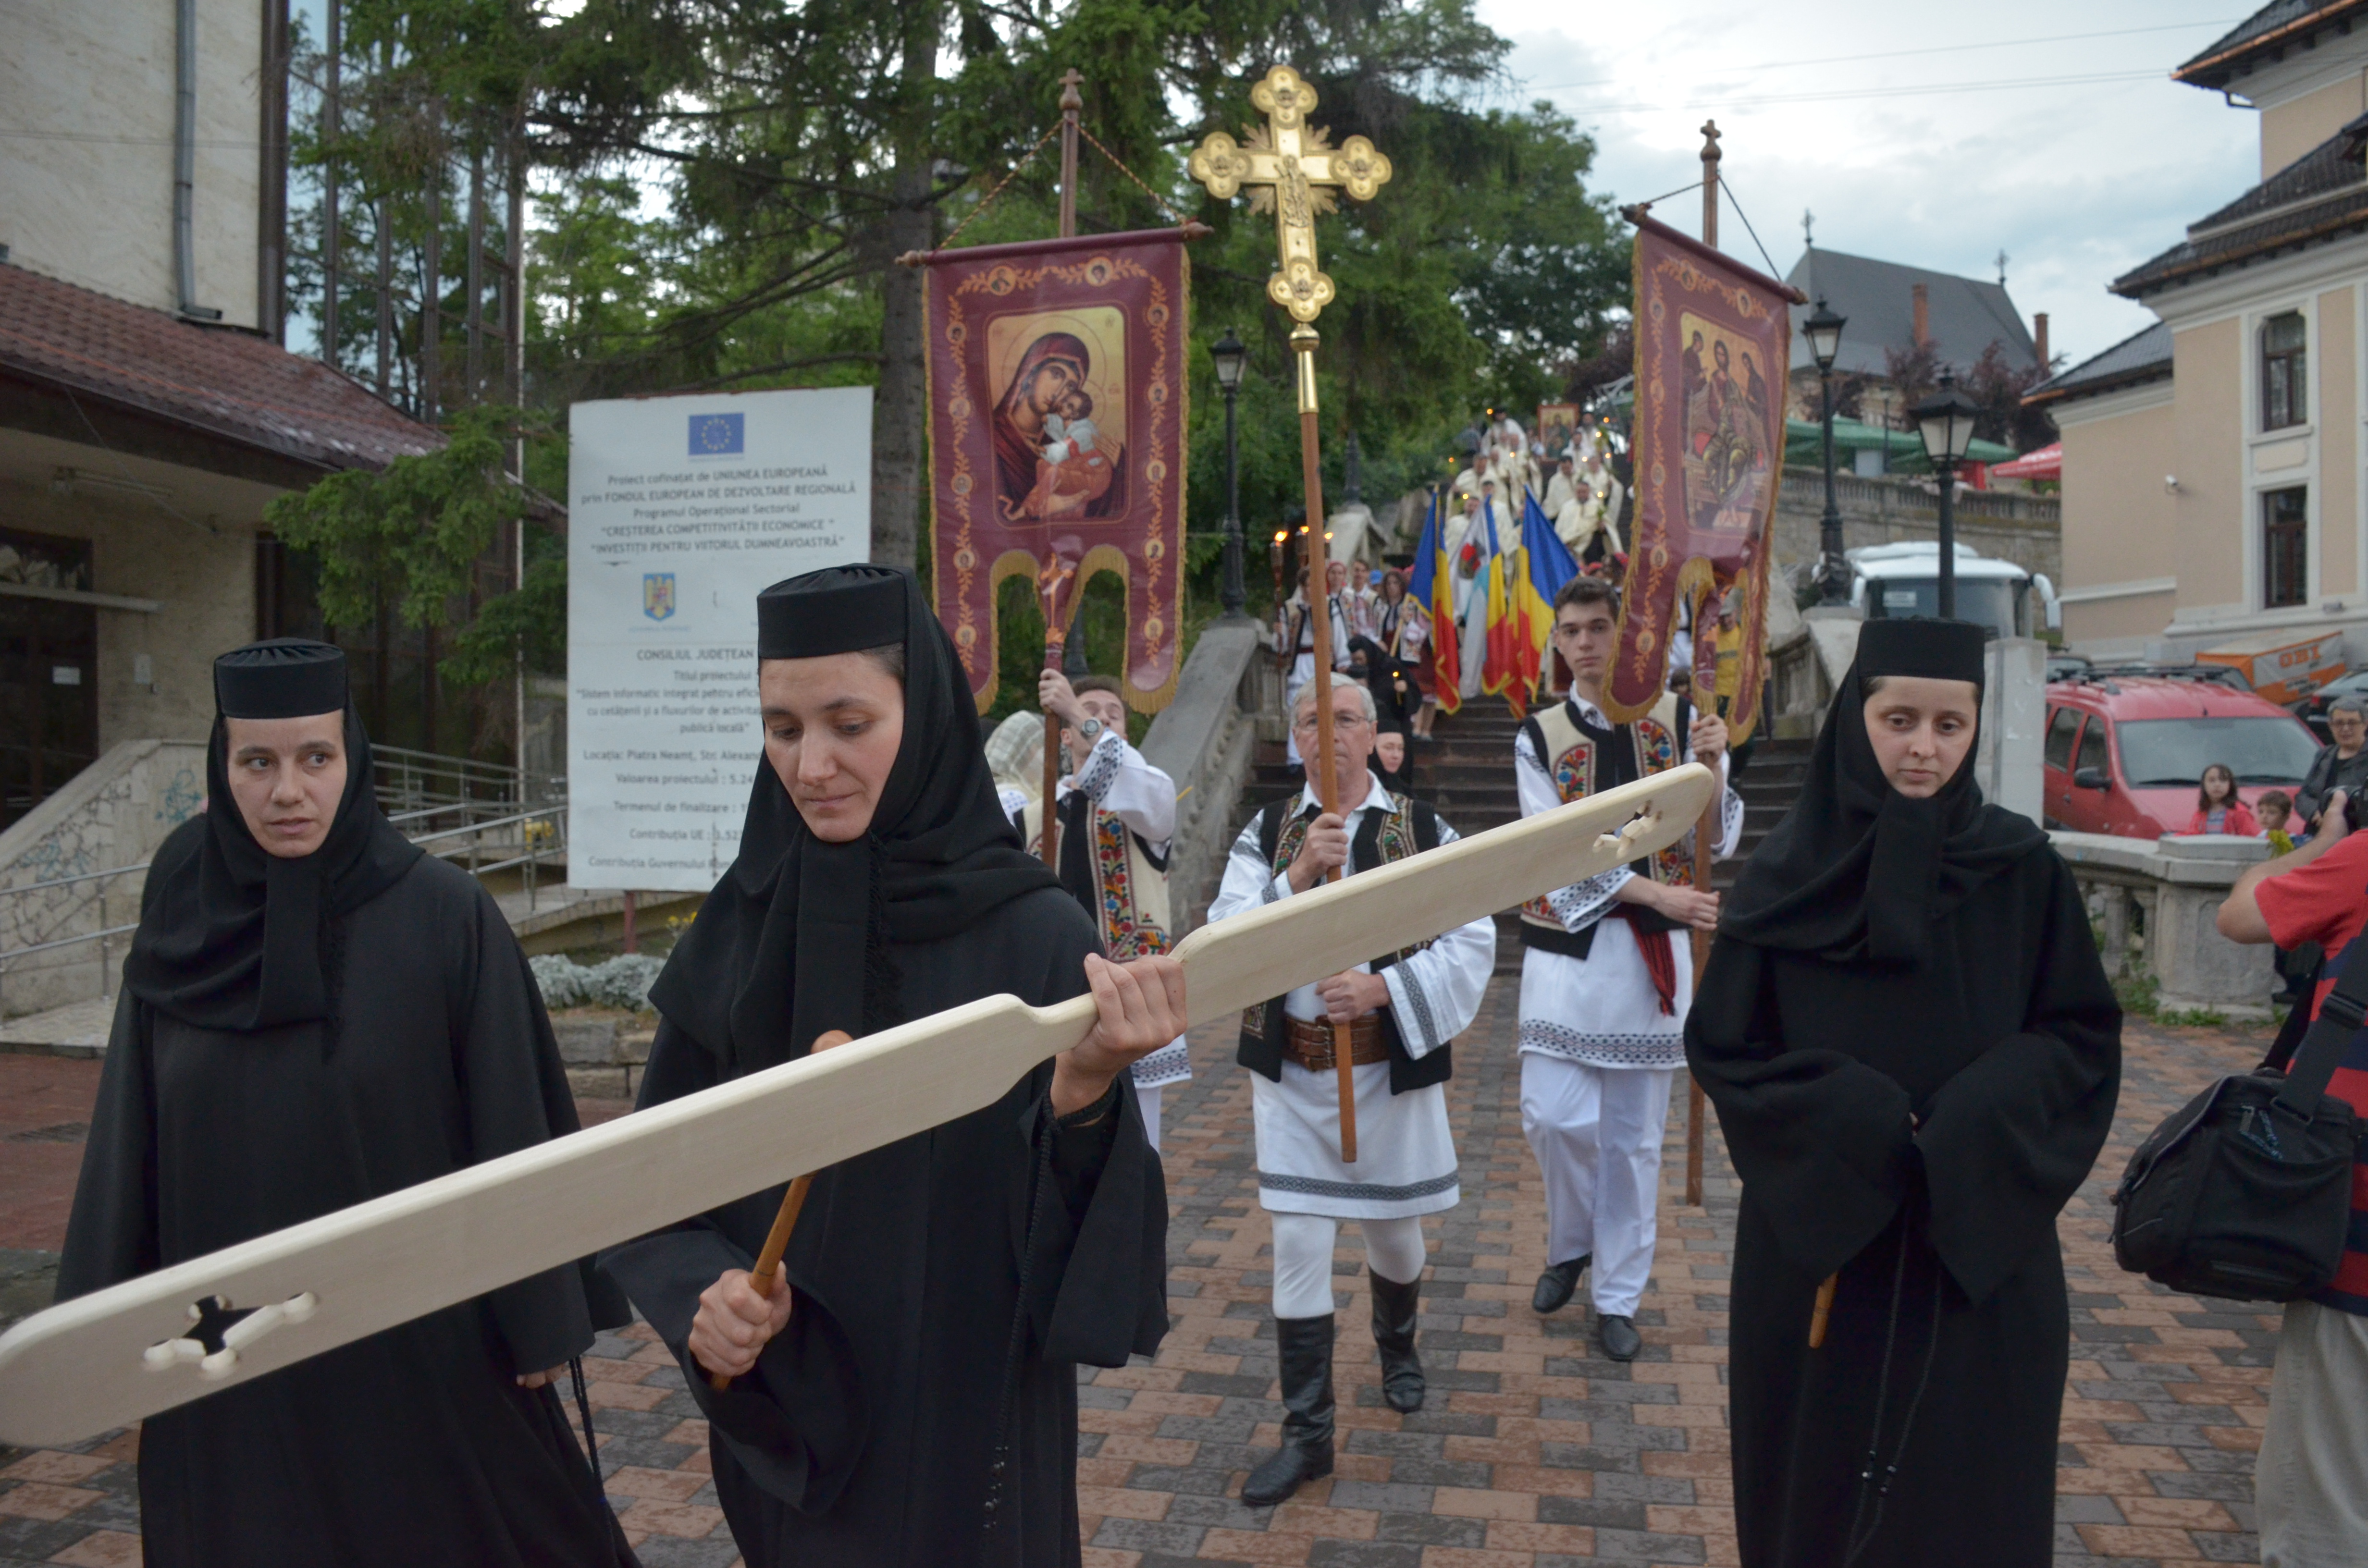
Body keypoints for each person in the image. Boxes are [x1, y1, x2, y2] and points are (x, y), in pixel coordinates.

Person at [598, 565, 1180, 1568]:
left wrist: (1082, 1096)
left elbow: (1093, 1265)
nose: (811, 763)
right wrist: (710, 1290)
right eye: (783, 729)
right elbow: (653, 1182)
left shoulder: (1037, 934)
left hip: (971, 1433)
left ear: (925, 717)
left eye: (847, 723)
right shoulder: (744, 927)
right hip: (799, 1429)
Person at [59, 638, 635, 1567]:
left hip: (412, 1351)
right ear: (224, 764)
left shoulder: (443, 913)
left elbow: (511, 1119)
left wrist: (536, 1314)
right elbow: (133, 1123)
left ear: (351, 757)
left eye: (314, 758)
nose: (289, 790)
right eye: (259, 761)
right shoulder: (183, 902)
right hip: (230, 1362)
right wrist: (98, 1334)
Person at [1688, 616, 2121, 1568]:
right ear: (1857, 719)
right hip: (1820, 1254)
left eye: (1949, 725)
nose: (1923, 747)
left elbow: (2080, 1036)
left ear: (1973, 730)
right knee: (1818, 1503)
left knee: (1971, 1502)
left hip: (1978, 1245)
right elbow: (1727, 1046)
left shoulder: (2023, 870)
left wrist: (1973, 1119)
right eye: (1898, 719)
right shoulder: (1782, 880)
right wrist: (1853, 1117)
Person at [1208, 674, 1495, 1507]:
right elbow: (1220, 942)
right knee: (1298, 1244)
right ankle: (1308, 1436)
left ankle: (1396, 1343)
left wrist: (1380, 992)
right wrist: (1294, 876)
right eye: (1308, 718)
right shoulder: (1267, 832)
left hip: (1385, 1074)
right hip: (1294, 1078)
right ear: (1293, 737)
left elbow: (1471, 934)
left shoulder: (1421, 828)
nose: (1325, 732)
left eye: (1342, 718)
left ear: (1372, 734)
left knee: (1395, 1238)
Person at [1514, 577, 1742, 1361]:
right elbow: (1551, 848)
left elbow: (1717, 837)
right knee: (1552, 1116)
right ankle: (1571, 1239)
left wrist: (1714, 768)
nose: (1583, 642)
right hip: (1569, 948)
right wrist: (1657, 894)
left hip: (1652, 959)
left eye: (1597, 627)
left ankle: (1616, 1294)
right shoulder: (1537, 734)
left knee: (1634, 1139)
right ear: (1557, 642)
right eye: (1570, 630)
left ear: (1625, 637)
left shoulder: (1681, 720)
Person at [2216, 785, 2368, 1566]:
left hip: (2354, 1250)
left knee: (2327, 1511)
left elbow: (2241, 913)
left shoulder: (2359, 862)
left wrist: (2325, 840)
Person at [1020, 668, 1191, 1152]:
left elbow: (1144, 790)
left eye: (1112, 716)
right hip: (1049, 998)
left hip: (1132, 996)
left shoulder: (1147, 805)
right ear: (1064, 734)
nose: (1100, 721)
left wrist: (1075, 709)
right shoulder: (1028, 815)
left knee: (1135, 1145)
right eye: (1088, 713)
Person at [2296, 693, 2368, 828]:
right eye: (2339, 723)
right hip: (2317, 832)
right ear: (2330, 725)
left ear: (2365, 724)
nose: (2346, 729)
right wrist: (2315, 813)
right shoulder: (2324, 755)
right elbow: (2303, 796)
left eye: (2352, 722)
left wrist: (2334, 816)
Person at [2182, 763, 2261, 836]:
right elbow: (2190, 836)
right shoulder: (2201, 813)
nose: (2217, 785)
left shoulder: (2240, 812)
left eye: (2223, 780)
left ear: (2230, 785)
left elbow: (2251, 838)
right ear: (2204, 785)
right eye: (2212, 781)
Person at [2258, 789, 2299, 855]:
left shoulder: (2291, 839)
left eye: (2272, 813)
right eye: (2261, 812)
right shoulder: (2261, 837)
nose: (2264, 816)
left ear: (2286, 817)